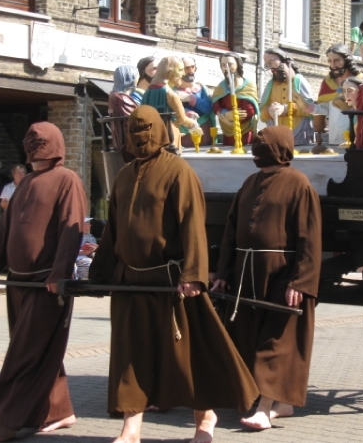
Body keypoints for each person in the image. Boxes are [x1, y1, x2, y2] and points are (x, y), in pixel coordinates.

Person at [89, 105, 258, 443]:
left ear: (161, 131)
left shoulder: (179, 171)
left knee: (187, 356)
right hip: (129, 282)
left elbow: (193, 223)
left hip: (172, 283)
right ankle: (131, 429)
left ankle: (204, 418)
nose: (141, 136)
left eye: (147, 129)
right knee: (129, 354)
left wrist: (194, 273)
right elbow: (114, 232)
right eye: (134, 130)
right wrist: (99, 274)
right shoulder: (123, 176)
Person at [212, 126, 321, 431]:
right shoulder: (250, 182)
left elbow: (309, 238)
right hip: (247, 272)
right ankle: (280, 404)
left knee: (275, 339)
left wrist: (300, 281)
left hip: (281, 273)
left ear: (278, 148)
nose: (256, 150)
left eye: (262, 145)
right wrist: (223, 273)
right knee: (248, 335)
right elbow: (231, 231)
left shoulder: (299, 184)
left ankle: (264, 408)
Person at [0, 122, 86, 441]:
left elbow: (72, 230)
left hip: (46, 284)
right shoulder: (26, 182)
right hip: (19, 283)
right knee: (36, 348)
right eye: (30, 141)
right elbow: (3, 232)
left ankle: (10, 419)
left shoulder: (67, 180)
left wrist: (59, 274)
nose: (34, 145)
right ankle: (60, 410)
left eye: (40, 141)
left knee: (26, 353)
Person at [142, 56, 203, 154]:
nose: (183, 74)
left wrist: (187, 115)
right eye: (180, 70)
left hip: (152, 139)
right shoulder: (171, 94)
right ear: (170, 73)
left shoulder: (147, 92)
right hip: (169, 140)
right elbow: (181, 119)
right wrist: (194, 125)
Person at [260, 48, 314, 145]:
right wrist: (268, 111)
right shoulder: (270, 86)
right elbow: (262, 115)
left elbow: (310, 110)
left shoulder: (298, 81)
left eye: (271, 61)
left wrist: (286, 109)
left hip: (298, 135)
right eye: (267, 64)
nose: (270, 67)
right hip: (276, 138)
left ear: (284, 60)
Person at [316, 44, 363, 146]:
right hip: (334, 137)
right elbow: (324, 108)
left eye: (337, 60)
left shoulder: (361, 81)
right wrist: (310, 109)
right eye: (330, 61)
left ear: (347, 60)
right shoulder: (327, 82)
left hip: (355, 137)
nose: (333, 65)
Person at [212, 52, 260, 146]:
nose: (226, 68)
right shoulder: (220, 88)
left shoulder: (249, 85)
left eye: (230, 64)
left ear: (238, 64)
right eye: (223, 65)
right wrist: (225, 114)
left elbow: (250, 110)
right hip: (228, 131)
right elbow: (215, 106)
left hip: (246, 132)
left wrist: (236, 116)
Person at [177, 56, 216, 148]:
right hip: (185, 133)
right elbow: (174, 112)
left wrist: (191, 98)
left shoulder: (201, 88)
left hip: (204, 130)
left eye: (192, 67)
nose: (190, 71)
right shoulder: (174, 90)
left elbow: (208, 109)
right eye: (186, 68)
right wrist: (187, 113)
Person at [108, 65, 140, 162]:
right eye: (137, 75)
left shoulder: (115, 95)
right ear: (131, 77)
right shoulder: (121, 97)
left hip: (124, 143)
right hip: (129, 144)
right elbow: (135, 119)